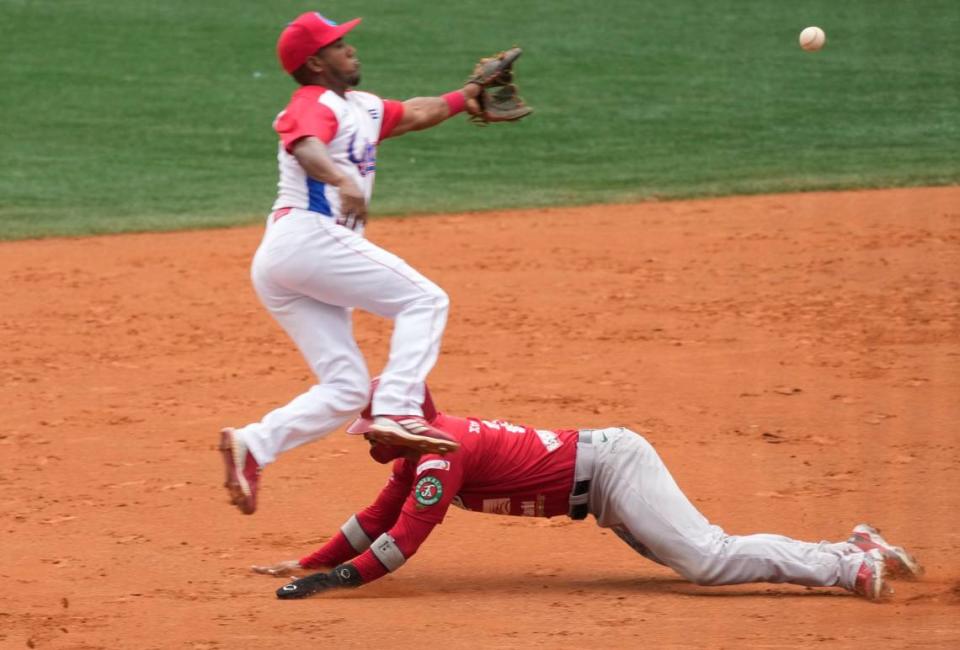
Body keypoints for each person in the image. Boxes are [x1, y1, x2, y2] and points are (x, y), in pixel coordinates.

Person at [252, 383, 923, 601]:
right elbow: (376, 518)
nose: (368, 442)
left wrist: (333, 582)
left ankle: (849, 563)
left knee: (707, 560)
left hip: (611, 472)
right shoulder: (421, 454)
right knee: (704, 555)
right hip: (602, 486)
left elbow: (400, 545)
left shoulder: (438, 463)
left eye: (375, 430)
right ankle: (852, 549)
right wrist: (310, 561)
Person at [220, 11, 493, 515]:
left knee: (345, 388)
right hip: (306, 237)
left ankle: (253, 445)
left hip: (289, 261)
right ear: (315, 63)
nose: (350, 49)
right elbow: (304, 145)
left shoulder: (361, 107)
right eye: (338, 45)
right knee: (425, 299)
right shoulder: (312, 102)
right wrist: (342, 181)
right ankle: (396, 408)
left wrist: (463, 97)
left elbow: (412, 113)